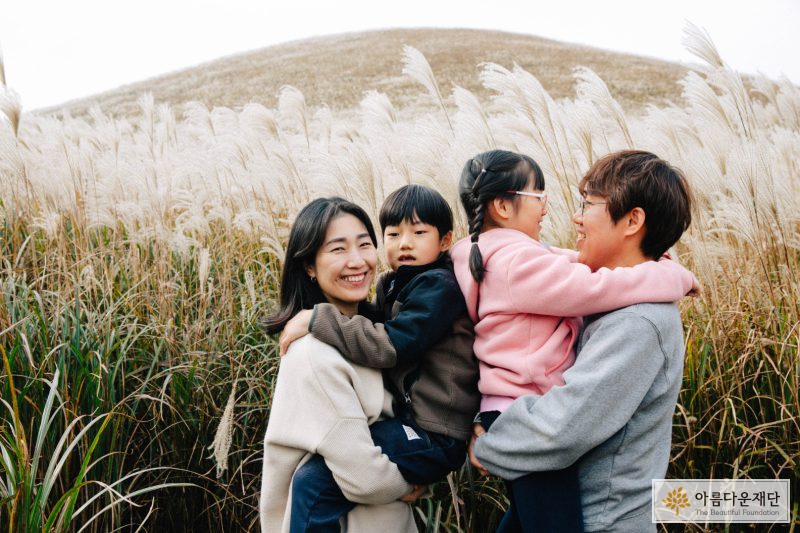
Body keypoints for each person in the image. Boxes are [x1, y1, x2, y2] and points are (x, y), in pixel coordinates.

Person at [449, 149, 697, 532]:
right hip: (562, 500)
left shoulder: (639, 321)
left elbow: (562, 428)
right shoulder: (605, 299)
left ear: (632, 220)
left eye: (589, 204)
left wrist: (486, 444)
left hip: (601, 521)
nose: (576, 217)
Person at [278, 184, 480, 532]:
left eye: (419, 233)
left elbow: (391, 346)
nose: (405, 243)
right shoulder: (395, 286)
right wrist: (403, 483)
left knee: (313, 483)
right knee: (312, 481)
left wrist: (317, 318)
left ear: (445, 241)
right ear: (309, 265)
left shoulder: (437, 287)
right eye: (393, 234)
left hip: (434, 433)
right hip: (417, 429)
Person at [259, 197, 422, 533]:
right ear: (309, 266)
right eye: (338, 249)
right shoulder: (313, 356)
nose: (357, 261)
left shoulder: (372, 340)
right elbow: (366, 477)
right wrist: (412, 482)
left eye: (364, 245)